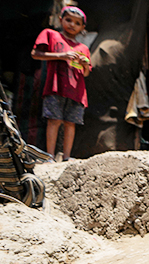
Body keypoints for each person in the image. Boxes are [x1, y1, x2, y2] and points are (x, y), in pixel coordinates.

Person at [31, 6, 91, 162]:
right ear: (60, 19)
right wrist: (62, 55)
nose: (72, 25)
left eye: (77, 23)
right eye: (68, 20)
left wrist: (84, 64)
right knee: (54, 120)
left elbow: (86, 73)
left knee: (71, 123)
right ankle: (49, 156)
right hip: (55, 87)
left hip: (76, 91)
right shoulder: (50, 35)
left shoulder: (83, 48)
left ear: (82, 28)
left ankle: (66, 157)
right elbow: (35, 54)